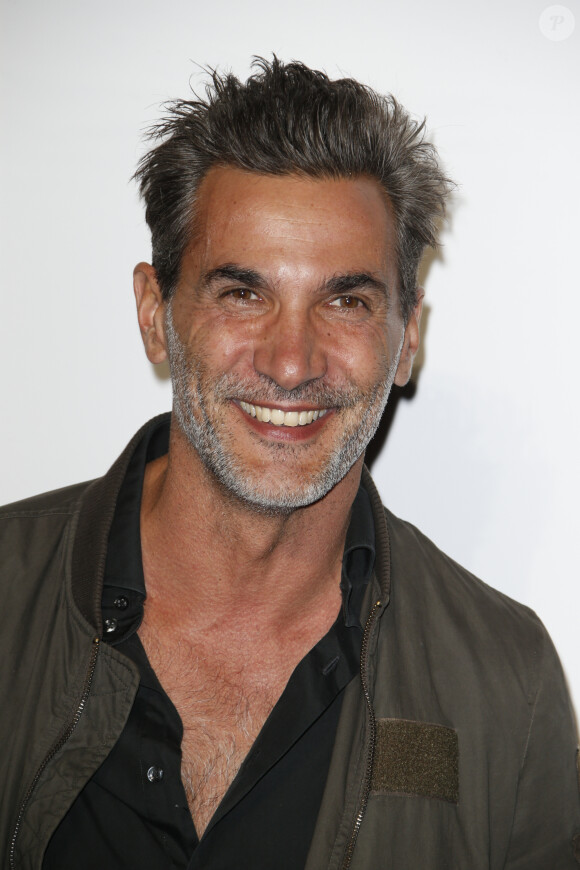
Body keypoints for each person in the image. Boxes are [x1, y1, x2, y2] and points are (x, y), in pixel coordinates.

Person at [1, 57, 578, 870]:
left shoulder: (506, 684)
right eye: (243, 293)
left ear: (407, 338)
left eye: (346, 301)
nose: (292, 360)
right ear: (155, 315)